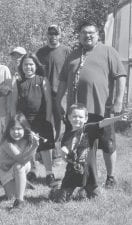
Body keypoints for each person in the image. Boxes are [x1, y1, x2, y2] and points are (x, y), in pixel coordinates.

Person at [56, 20, 127, 188]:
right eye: (84, 33)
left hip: (101, 109)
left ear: (97, 35)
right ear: (79, 36)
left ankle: (110, 177)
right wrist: (58, 101)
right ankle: (80, 178)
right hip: (77, 114)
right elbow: (63, 80)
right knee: (78, 146)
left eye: (91, 33)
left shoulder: (109, 52)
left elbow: (121, 76)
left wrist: (118, 101)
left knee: (108, 144)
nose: (87, 36)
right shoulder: (73, 55)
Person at [51, 103, 128, 202]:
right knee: (61, 199)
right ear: (69, 117)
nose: (77, 119)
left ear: (86, 118)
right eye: (74, 116)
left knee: (96, 197)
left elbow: (103, 122)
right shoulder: (66, 135)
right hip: (73, 171)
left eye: (80, 117)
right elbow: (64, 150)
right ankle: (55, 191)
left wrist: (118, 118)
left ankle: (83, 191)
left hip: (89, 172)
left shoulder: (88, 129)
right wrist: (64, 152)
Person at [17, 53, 56, 187]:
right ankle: (32, 170)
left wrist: (48, 119)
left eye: (31, 64)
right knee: (29, 146)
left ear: (36, 66)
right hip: (25, 120)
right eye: (25, 64)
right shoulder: (18, 82)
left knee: (45, 147)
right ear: (21, 67)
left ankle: (49, 173)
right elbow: (14, 102)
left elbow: (49, 101)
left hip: (41, 118)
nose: (28, 67)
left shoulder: (42, 80)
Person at [0, 113, 39, 209]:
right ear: (8, 130)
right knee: (11, 196)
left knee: (19, 167)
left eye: (19, 129)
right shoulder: (7, 142)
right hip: (4, 170)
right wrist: (34, 147)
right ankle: (23, 183)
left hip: (20, 166)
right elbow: (21, 159)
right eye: (13, 129)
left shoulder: (28, 139)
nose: (15, 132)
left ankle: (20, 200)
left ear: (25, 129)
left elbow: (24, 161)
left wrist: (34, 145)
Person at [36, 25, 70, 141]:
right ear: (47, 35)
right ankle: (46, 148)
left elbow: (71, 71)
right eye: (50, 33)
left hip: (61, 93)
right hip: (44, 93)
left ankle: (58, 152)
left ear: (60, 35)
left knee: (60, 121)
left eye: (56, 34)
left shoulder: (66, 51)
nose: (53, 36)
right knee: (45, 121)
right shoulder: (40, 52)